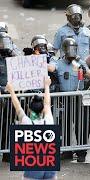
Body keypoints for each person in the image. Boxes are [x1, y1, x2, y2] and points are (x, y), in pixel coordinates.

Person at [48, 38, 90, 162]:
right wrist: (38, 61)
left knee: (81, 125)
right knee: (65, 125)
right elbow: (51, 68)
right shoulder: (58, 62)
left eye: (74, 49)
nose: (72, 52)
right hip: (65, 98)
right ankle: (67, 151)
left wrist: (83, 70)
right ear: (64, 50)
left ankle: (81, 152)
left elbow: (89, 74)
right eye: (69, 49)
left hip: (79, 99)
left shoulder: (80, 62)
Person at [6, 77, 57, 179]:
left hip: (33, 165)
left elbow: (17, 107)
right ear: (43, 110)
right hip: (49, 164)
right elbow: (47, 103)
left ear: (29, 109)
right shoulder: (49, 120)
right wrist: (47, 86)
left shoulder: (27, 122)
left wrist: (11, 91)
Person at [0, 32, 18, 162]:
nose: (3, 45)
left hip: (10, 96)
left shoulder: (12, 56)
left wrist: (13, 54)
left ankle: (6, 152)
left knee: (9, 123)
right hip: (1, 94)